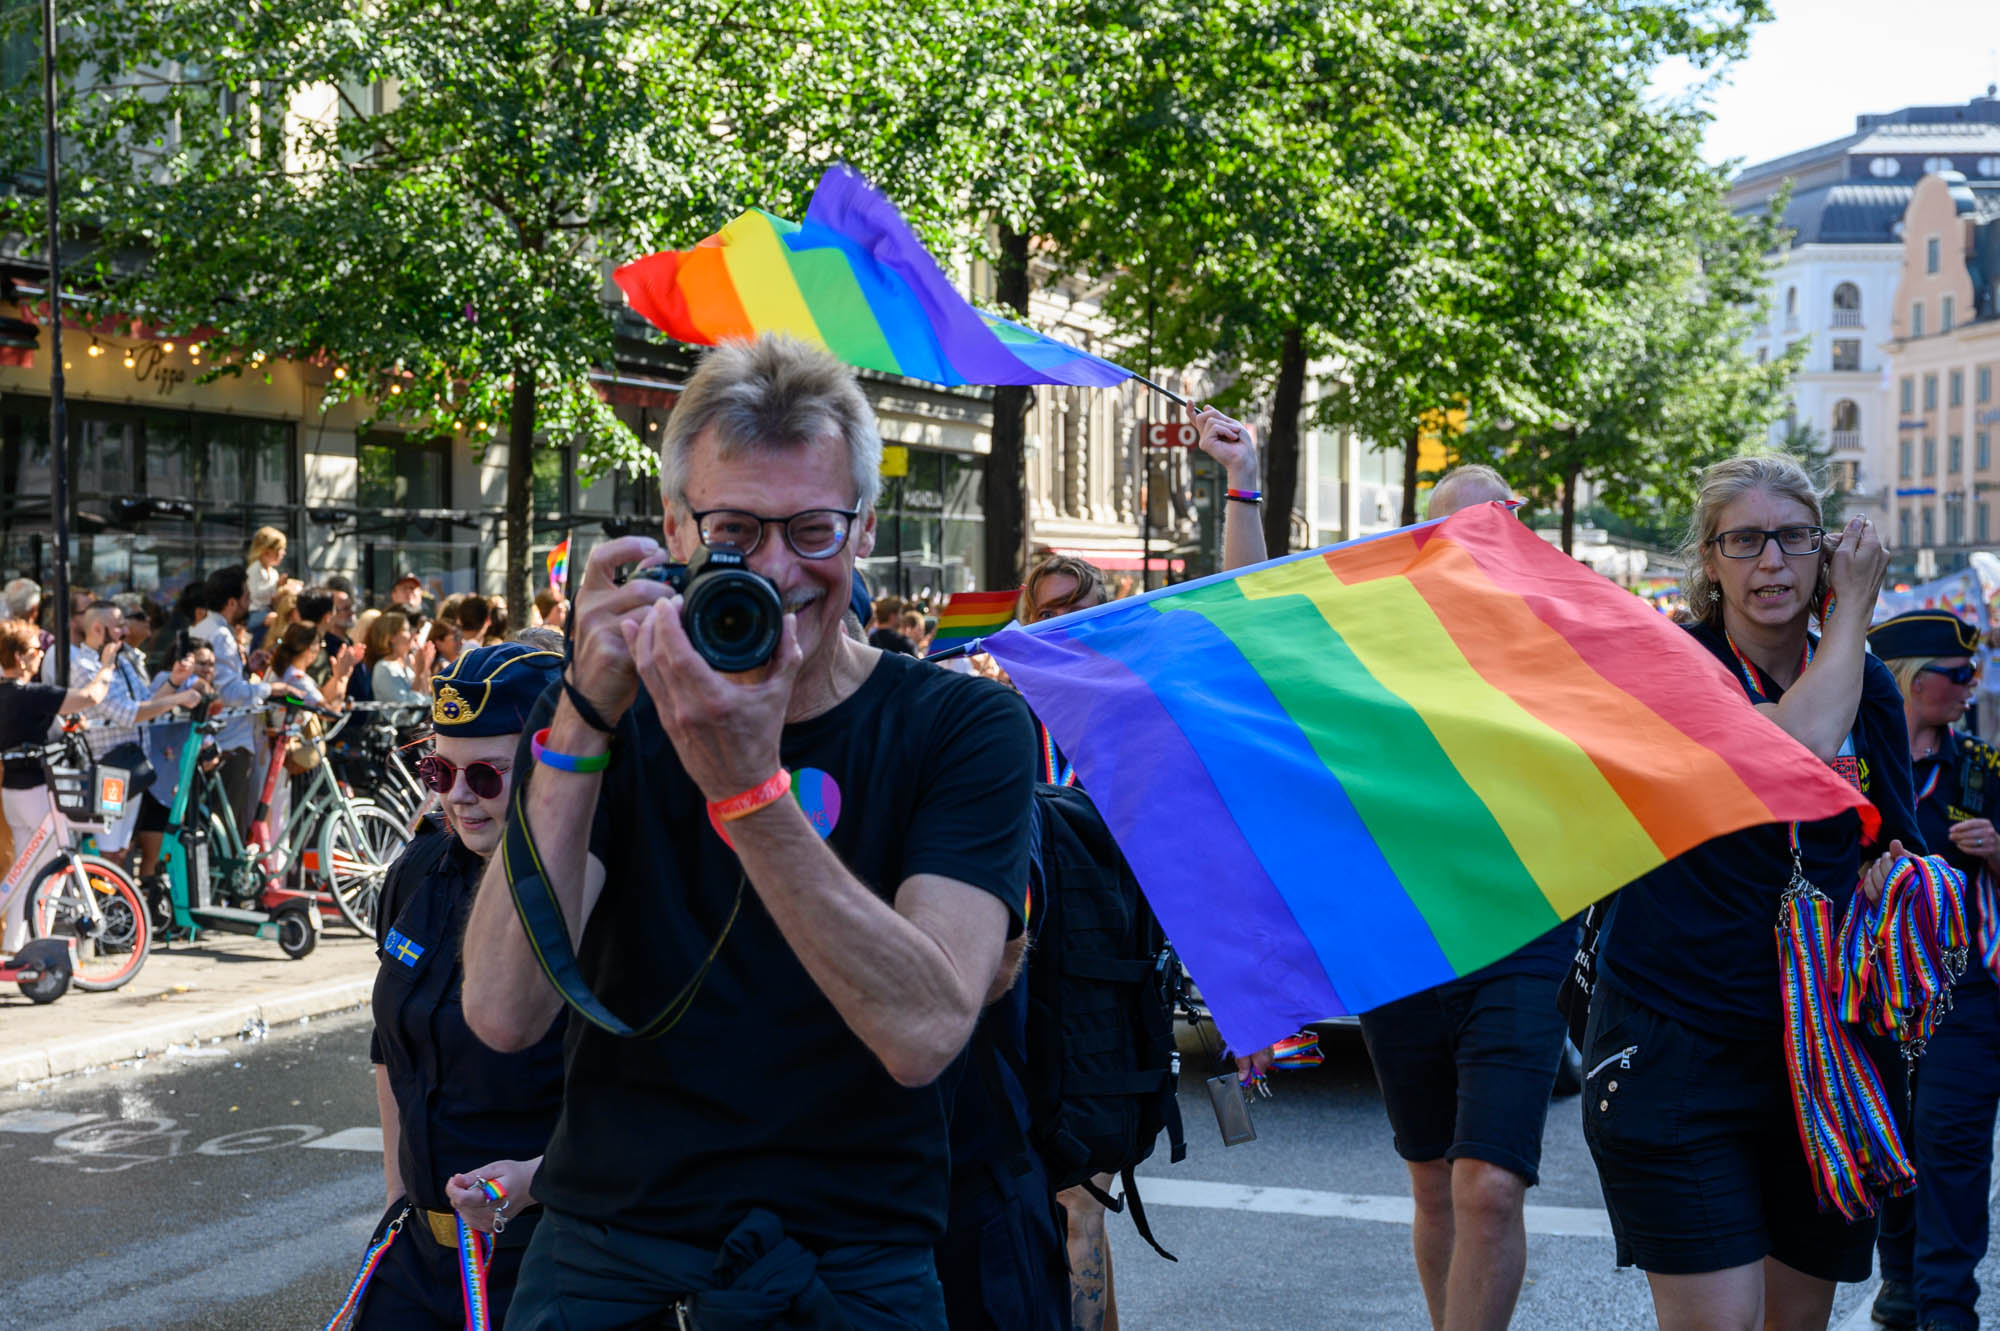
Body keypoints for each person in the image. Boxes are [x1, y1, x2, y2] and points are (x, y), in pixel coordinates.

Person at [461, 334, 1037, 1330]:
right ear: (675, 531)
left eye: (811, 529)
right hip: (607, 1253)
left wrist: (747, 788)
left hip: (849, 1261)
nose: (775, 570)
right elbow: (504, 1011)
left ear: (863, 531)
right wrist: (583, 711)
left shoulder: (960, 724)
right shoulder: (613, 716)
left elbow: (924, 1030)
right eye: (735, 530)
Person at [1583, 455, 1918, 1331]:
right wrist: (1853, 613)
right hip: (1676, 1045)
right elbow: (1796, 743)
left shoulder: (1871, 686)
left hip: (1824, 1058)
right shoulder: (1670, 666)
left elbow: (1900, 842)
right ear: (1709, 559)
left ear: (1825, 550)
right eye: (1744, 540)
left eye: (1794, 538)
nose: (1772, 562)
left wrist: (1895, 880)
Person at [1003, 405, 1266, 1331]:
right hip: (1008, 998)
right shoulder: (985, 722)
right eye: (1047, 611)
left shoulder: (1139, 723)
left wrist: (1243, 480)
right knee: (1042, 1208)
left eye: (1086, 609)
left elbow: (1236, 622)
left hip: (1102, 995)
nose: (1065, 626)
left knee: (1077, 1202)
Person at [1346, 464, 1580, 1331]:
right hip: (1401, 931)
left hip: (1525, 928)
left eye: (1494, 519)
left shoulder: (1564, 616)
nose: (1478, 538)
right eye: (1456, 526)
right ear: (1423, 535)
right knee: (1434, 1181)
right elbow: (1258, 621)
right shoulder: (1376, 626)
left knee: (1489, 1184)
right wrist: (1245, 489)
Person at [348, 642, 569, 1330]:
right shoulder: (416, 871)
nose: (458, 795)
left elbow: (647, 1096)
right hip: (416, 1256)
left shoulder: (598, 892)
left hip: (551, 1259)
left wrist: (533, 1181)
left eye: (486, 774)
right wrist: (395, 1193)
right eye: (438, 769)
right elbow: (389, 1044)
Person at [1866, 609, 2000, 1331]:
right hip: (1870, 997)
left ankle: (1948, 1308)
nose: (1970, 684)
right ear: (1911, 683)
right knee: (1888, 1145)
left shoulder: (1984, 769)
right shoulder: (1852, 763)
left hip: (1962, 997)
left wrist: (1995, 850)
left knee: (1950, 1148)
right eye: (1957, 674)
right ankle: (1900, 1284)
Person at [0, 620, 114, 949]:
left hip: (13, 793)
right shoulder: (31, 695)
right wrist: (106, 666)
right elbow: (92, 696)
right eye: (37, 651)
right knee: (47, 876)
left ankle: (16, 945)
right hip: (37, 793)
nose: (41, 657)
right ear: (21, 658)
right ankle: (41, 948)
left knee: (25, 872)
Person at [189, 566, 300, 831]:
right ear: (231, 602)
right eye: (247, 597)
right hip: (230, 741)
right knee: (225, 824)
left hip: (214, 738)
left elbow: (220, 681)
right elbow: (230, 693)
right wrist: (271, 689)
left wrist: (248, 667)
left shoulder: (202, 628)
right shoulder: (222, 635)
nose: (250, 604)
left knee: (214, 822)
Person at [366, 611, 432, 705]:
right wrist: (419, 674)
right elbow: (405, 710)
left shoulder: (409, 662)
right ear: (392, 637)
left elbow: (427, 698)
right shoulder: (384, 669)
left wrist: (425, 668)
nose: (413, 634)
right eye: (407, 630)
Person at [245, 525, 288, 640]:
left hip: (268, 611)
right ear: (267, 552)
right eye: (280, 550)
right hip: (254, 614)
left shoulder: (273, 573)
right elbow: (255, 594)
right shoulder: (254, 569)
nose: (283, 553)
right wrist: (277, 586)